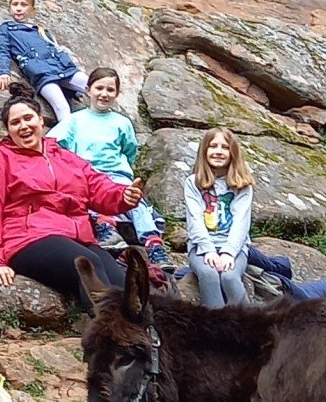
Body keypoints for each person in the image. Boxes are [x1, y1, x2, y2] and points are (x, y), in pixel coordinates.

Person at [0, 95, 143, 314]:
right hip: (26, 239)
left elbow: (98, 187)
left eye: (28, 118)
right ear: (8, 130)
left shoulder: (65, 157)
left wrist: (123, 195)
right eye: (15, 123)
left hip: (75, 237)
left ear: (41, 120)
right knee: (87, 265)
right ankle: (107, 337)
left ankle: (139, 339)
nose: (23, 126)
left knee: (124, 284)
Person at [47, 66, 168, 264]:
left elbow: (129, 150)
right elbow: (52, 143)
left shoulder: (121, 122)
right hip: (88, 174)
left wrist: (124, 171)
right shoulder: (74, 120)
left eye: (110, 90)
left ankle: (153, 243)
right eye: (99, 88)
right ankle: (106, 227)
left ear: (117, 94)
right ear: (88, 90)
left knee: (135, 202)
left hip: (117, 174)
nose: (104, 94)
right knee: (89, 195)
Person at [183, 127, 255, 308]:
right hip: (201, 247)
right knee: (209, 274)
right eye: (213, 146)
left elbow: (241, 222)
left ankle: (252, 326)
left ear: (232, 153)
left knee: (230, 276)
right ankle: (217, 328)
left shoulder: (242, 185)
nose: (218, 151)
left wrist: (229, 252)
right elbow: (195, 220)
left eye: (224, 147)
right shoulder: (194, 182)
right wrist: (209, 250)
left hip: (233, 247)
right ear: (204, 151)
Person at [0, 0, 86, 124]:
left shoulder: (41, 29)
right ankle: (68, 142)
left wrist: (74, 92)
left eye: (24, 5)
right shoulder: (7, 28)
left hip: (63, 68)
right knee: (61, 107)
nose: (19, 8)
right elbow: (2, 50)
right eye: (15, 4)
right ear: (9, 7)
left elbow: (55, 48)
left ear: (32, 10)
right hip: (41, 74)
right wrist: (2, 72)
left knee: (92, 85)